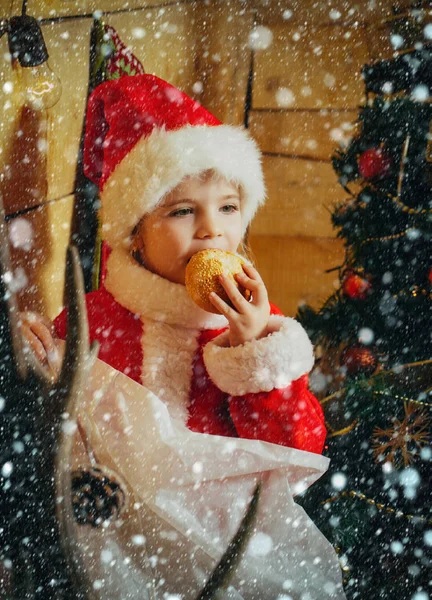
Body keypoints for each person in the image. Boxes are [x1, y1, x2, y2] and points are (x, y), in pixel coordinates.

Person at [21, 74, 346, 599]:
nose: (211, 230)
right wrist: (37, 353)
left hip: (229, 540)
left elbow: (296, 451)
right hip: (118, 542)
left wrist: (253, 351)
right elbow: (59, 421)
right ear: (134, 231)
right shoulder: (96, 317)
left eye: (228, 207)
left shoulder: (254, 324)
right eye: (182, 211)